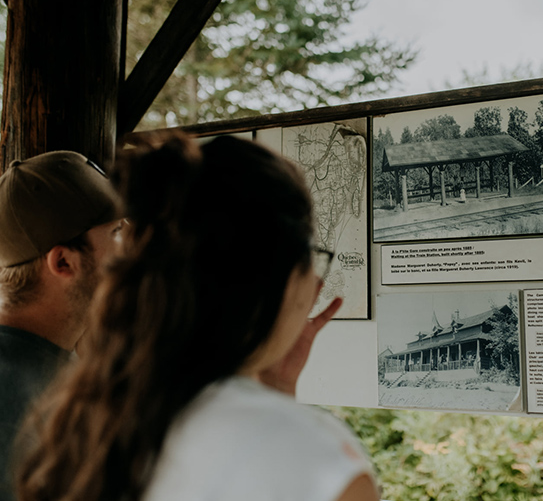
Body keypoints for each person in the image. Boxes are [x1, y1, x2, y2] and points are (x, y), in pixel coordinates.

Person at [15, 133, 379, 501]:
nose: (316, 282)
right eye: (312, 256)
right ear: (273, 272)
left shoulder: (93, 415)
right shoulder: (317, 458)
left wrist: (273, 391)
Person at [0, 151, 122, 501]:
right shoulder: (8, 400)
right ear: (64, 261)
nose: (130, 247)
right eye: (115, 232)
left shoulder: (56, 355)